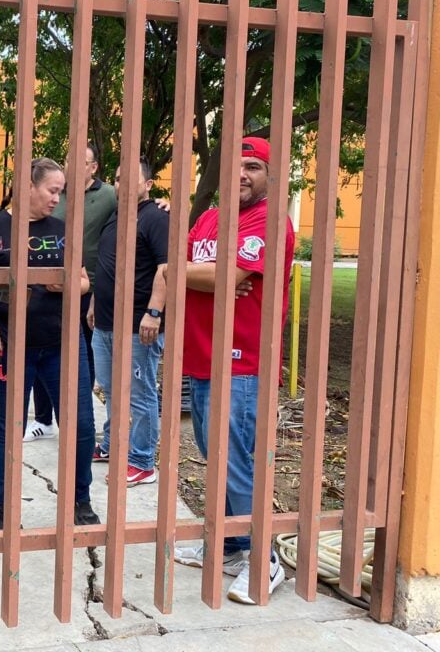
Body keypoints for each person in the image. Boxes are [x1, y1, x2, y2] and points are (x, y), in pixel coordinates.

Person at [172, 136, 295, 604]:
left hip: (242, 360)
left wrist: (185, 272)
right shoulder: (208, 219)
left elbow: (232, 277)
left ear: (268, 175)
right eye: (234, 166)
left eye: (253, 166)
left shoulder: (269, 220)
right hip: (202, 357)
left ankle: (264, 561)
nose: (241, 174)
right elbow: (196, 271)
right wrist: (195, 272)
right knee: (215, 456)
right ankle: (227, 545)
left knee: (236, 462)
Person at [0, 157, 100, 531]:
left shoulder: (62, 229)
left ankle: (80, 498)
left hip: (61, 342)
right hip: (9, 343)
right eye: (52, 190)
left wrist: (72, 286)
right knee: (7, 426)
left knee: (80, 424)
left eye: (60, 192)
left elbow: (84, 281)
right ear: (26, 185)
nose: (56, 199)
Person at [26, 144, 116, 443]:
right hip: (43, 284)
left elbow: (135, 208)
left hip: (85, 284)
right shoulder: (54, 195)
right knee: (40, 346)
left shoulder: (108, 196)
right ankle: (42, 419)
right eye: (69, 160)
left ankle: (78, 419)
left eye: (83, 161)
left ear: (94, 167)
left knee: (81, 353)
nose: (74, 166)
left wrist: (160, 204)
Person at [88, 160, 169, 486]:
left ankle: (142, 462)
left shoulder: (156, 217)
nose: (121, 185)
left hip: (139, 325)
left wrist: (154, 312)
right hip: (106, 322)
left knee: (139, 393)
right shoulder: (117, 216)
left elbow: (166, 268)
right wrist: (94, 301)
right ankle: (112, 446)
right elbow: (107, 266)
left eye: (130, 179)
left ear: (148, 184)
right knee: (110, 390)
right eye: (118, 179)